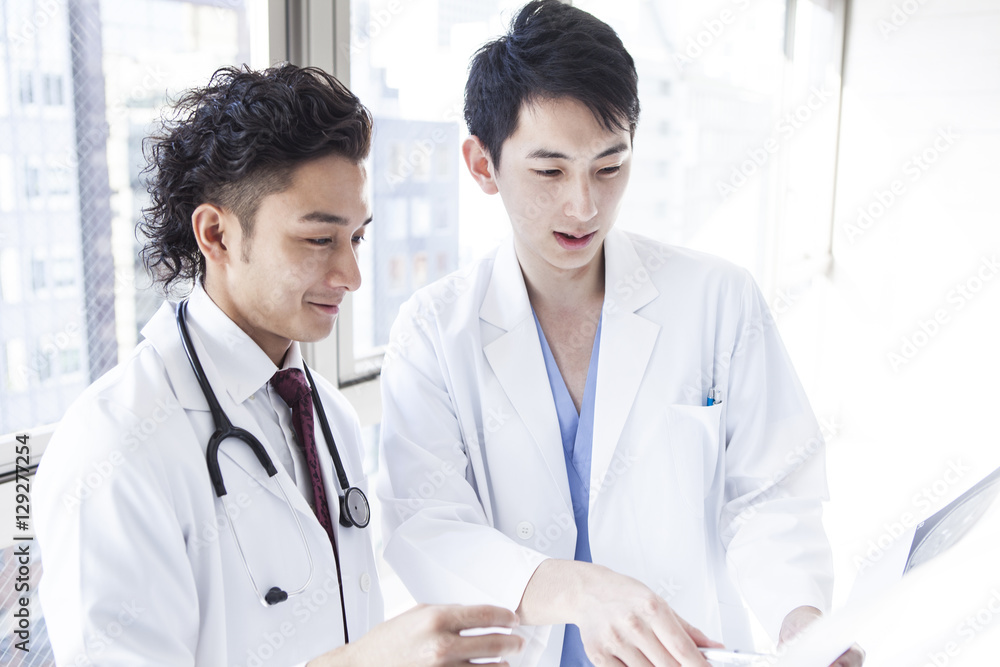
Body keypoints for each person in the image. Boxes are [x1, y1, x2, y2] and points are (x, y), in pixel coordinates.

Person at [377, 2, 864, 666]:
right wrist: (580, 591)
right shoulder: (432, 333)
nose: (585, 205)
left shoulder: (718, 299)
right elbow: (425, 524)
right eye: (549, 171)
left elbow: (770, 494)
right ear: (482, 164)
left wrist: (798, 619)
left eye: (609, 166)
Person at [33, 64, 523, 666]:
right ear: (215, 234)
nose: (351, 276)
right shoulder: (114, 445)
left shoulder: (328, 416)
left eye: (357, 239)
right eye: (319, 240)